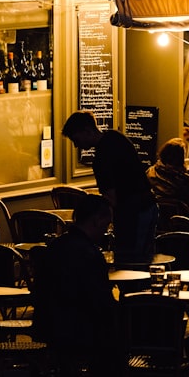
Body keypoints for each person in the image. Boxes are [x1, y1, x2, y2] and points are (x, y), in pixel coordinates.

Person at [34, 194, 123, 377]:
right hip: (80, 331)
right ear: (95, 221)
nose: (107, 229)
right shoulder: (89, 254)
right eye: (106, 223)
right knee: (117, 344)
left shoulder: (55, 248)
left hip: (49, 326)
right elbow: (99, 302)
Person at [62, 110, 158, 263]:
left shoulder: (101, 159)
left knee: (128, 261)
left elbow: (111, 198)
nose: (76, 145)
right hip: (148, 206)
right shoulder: (116, 137)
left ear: (86, 131)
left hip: (130, 214)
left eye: (76, 139)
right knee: (144, 259)